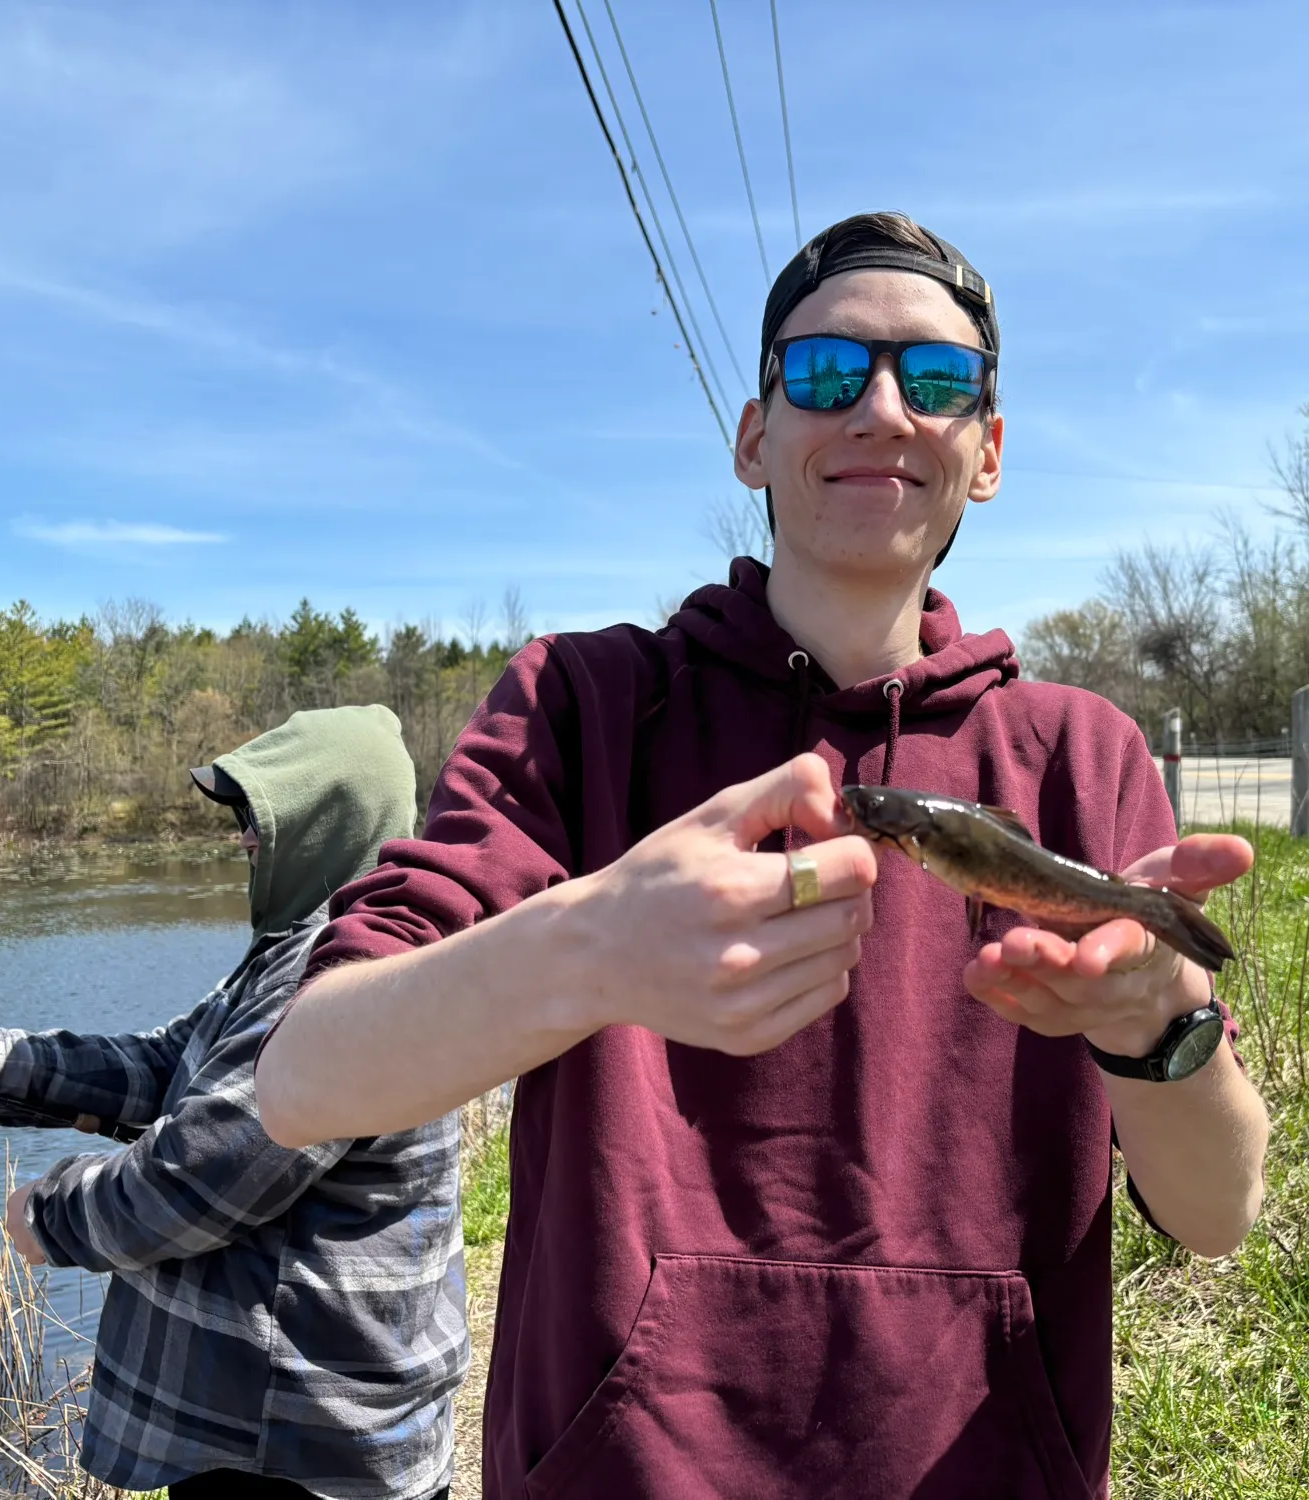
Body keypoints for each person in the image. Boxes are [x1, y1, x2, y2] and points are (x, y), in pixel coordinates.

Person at [254, 213, 1270, 1499]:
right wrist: (588, 948)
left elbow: (1218, 1215)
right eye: (828, 372)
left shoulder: (1087, 754)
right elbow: (304, 1081)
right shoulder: (584, 702)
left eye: (939, 380)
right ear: (755, 435)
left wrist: (1153, 1026)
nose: (885, 411)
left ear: (989, 453)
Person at [0, 706, 467, 1500]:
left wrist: (50, 1214)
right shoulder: (291, 954)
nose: (243, 836)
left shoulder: (350, 974)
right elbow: (161, 1066)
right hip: (272, 1431)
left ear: (329, 820)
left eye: (260, 815)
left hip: (298, 1447)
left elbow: (205, 1172)